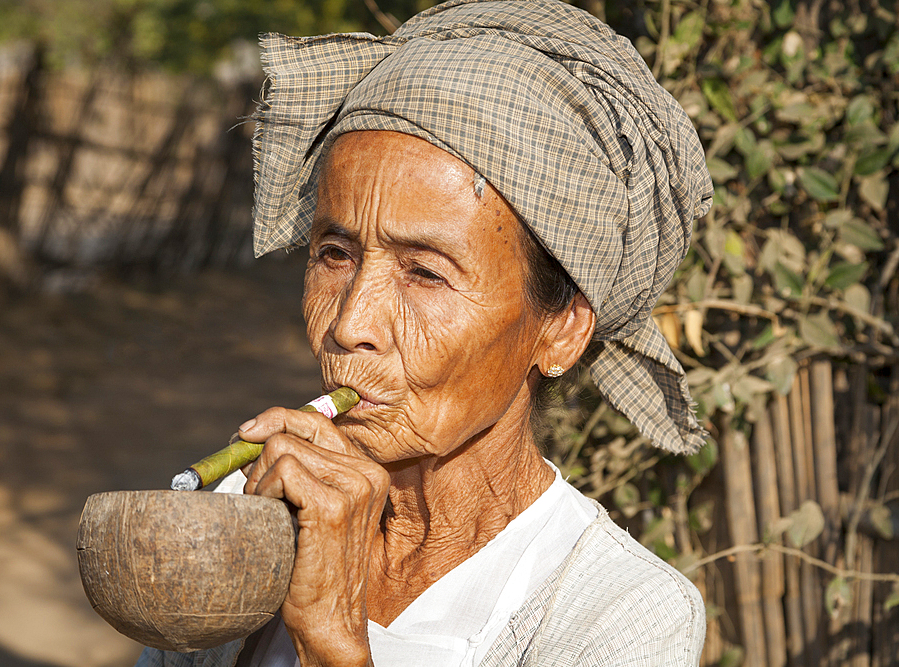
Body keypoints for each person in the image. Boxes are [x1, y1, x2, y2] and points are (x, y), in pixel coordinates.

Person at [136, 0, 713, 665]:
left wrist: (330, 639)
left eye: (425, 273)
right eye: (335, 254)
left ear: (561, 329)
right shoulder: (249, 513)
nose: (351, 325)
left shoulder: (620, 612)